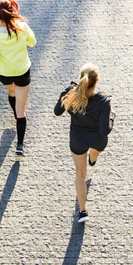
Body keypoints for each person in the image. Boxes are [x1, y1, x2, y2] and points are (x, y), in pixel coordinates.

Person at [54, 63, 115, 223]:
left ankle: (82, 211)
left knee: (80, 174)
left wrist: (66, 91)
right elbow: (104, 130)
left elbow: (57, 111)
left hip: (78, 140)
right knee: (95, 153)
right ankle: (92, 160)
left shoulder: (71, 94)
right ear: (97, 80)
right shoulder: (103, 100)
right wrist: (112, 117)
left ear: (80, 78)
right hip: (97, 140)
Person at [0, 0, 37, 155]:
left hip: (4, 74)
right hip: (22, 72)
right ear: (12, 10)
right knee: (21, 112)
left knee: (11, 92)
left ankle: (14, 111)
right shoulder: (22, 27)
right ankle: (19, 146)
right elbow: (33, 43)